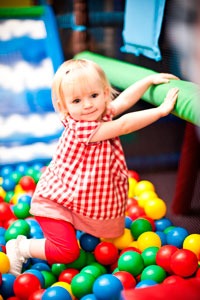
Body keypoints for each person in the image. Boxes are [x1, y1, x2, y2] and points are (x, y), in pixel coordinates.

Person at [6, 59, 179, 276]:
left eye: (94, 96)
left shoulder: (99, 112)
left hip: (72, 197)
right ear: (64, 107)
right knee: (67, 252)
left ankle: (67, 230)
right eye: (77, 100)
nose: (88, 105)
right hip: (56, 201)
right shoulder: (82, 127)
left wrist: (148, 81)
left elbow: (124, 101)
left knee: (81, 242)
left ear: (105, 93)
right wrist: (160, 111)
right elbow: (124, 125)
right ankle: (22, 247)